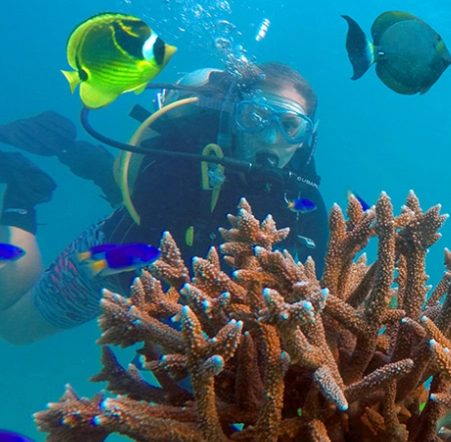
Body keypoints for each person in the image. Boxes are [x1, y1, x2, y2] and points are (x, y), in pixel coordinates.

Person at [0, 62, 329, 344]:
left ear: (307, 138)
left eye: (289, 126)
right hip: (116, 260)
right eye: (255, 117)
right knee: (14, 327)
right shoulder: (182, 163)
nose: (270, 139)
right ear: (234, 114)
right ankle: (21, 191)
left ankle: (92, 163)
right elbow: (150, 228)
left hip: (184, 275)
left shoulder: (302, 198)